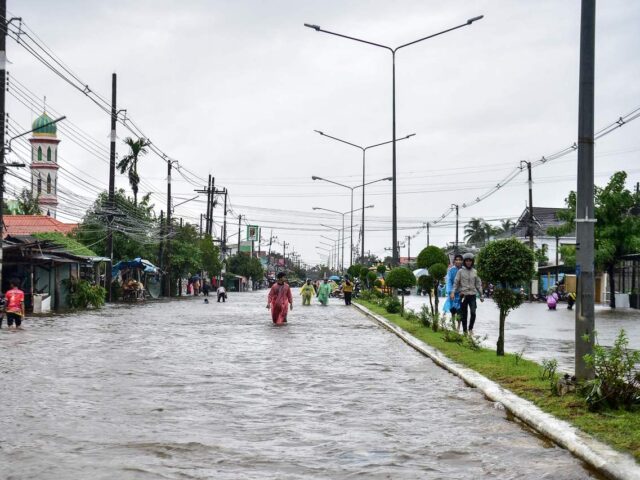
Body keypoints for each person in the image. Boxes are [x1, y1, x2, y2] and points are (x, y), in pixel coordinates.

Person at [452, 253, 484, 334]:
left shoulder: (475, 272)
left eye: (470, 261)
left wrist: (481, 295)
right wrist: (453, 292)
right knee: (464, 314)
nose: (468, 262)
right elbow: (456, 282)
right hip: (463, 295)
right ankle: (465, 331)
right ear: (464, 262)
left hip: (472, 295)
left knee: (473, 312)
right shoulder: (460, 271)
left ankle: (470, 328)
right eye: (467, 261)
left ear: (472, 262)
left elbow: (478, 284)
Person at [443, 254, 463, 330]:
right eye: (456, 259)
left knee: (460, 311)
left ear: (462, 261)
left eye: (460, 259)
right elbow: (449, 281)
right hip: (453, 293)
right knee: (453, 310)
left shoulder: (464, 270)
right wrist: (451, 292)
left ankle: (458, 327)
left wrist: (463, 291)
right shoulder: (451, 270)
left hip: (461, 294)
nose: (458, 261)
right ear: (454, 261)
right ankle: (454, 325)